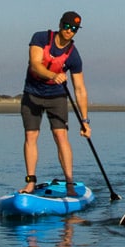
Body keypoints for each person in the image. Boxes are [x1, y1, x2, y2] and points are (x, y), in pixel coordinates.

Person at [20, 11, 91, 194]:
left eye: (74, 29)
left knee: (61, 136)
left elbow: (80, 89)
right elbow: (35, 63)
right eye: (67, 26)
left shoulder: (73, 56)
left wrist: (85, 120)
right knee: (31, 136)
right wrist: (53, 75)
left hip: (57, 97)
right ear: (60, 25)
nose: (69, 31)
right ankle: (30, 182)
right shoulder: (41, 38)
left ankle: (69, 183)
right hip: (32, 94)